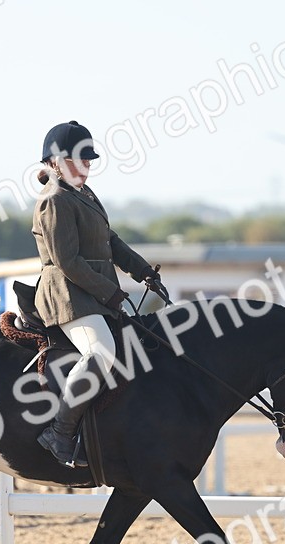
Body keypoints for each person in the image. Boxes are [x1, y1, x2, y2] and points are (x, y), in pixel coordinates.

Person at [32, 120, 168, 466]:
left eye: (88, 160)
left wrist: (144, 272)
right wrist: (111, 292)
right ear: (54, 162)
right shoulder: (54, 200)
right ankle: (60, 432)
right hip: (66, 295)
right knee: (101, 352)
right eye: (77, 159)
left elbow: (111, 241)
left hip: (90, 294)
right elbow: (67, 261)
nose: (85, 166)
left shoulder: (84, 194)